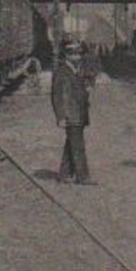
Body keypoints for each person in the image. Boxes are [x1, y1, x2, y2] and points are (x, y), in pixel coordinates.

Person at [51, 38, 94, 184]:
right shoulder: (62, 72)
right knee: (78, 145)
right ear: (66, 55)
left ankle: (64, 174)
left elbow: (87, 81)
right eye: (73, 54)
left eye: (79, 54)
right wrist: (61, 117)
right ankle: (83, 176)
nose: (77, 57)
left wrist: (88, 87)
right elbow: (57, 97)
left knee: (71, 143)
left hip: (79, 113)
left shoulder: (78, 70)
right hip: (71, 115)